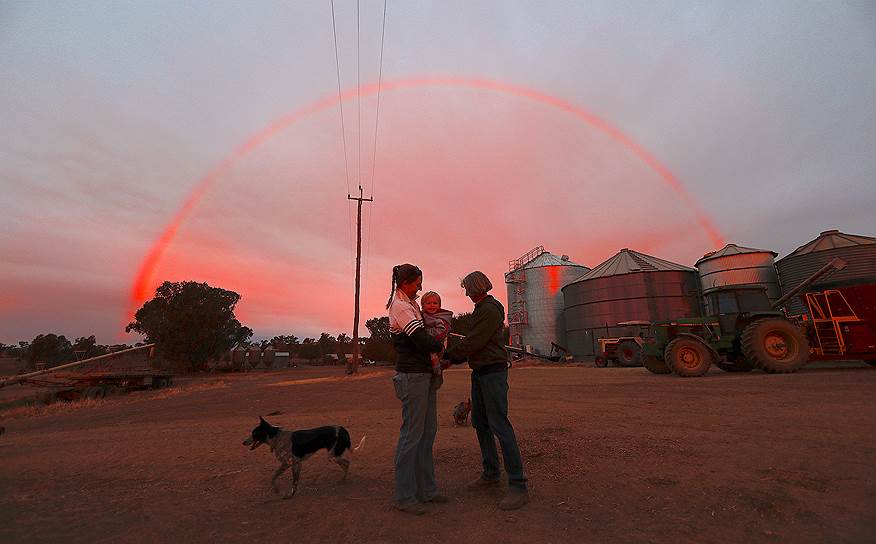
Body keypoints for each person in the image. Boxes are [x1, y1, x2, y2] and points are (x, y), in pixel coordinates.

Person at [443, 270, 529, 510]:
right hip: (481, 372)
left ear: (475, 287)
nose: (466, 292)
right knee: (481, 423)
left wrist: (448, 356)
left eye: (467, 288)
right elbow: (474, 341)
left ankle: (518, 484)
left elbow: (475, 341)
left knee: (500, 425)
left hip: (493, 372)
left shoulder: (489, 309)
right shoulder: (482, 308)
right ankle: (491, 473)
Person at [387, 264, 447, 515]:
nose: (420, 288)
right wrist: (441, 344)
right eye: (417, 283)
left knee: (427, 432)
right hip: (412, 376)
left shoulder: (409, 304)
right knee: (412, 434)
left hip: (423, 374)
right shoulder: (400, 307)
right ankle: (404, 495)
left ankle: (427, 490)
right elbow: (420, 339)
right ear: (405, 283)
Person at [420, 291, 453, 376]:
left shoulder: (439, 318)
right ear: (422, 306)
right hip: (427, 344)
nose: (432, 305)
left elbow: (441, 332)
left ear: (439, 305)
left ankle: (437, 369)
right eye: (428, 303)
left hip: (437, 343)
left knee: (433, 356)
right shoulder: (422, 315)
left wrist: (425, 333)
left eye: (435, 303)